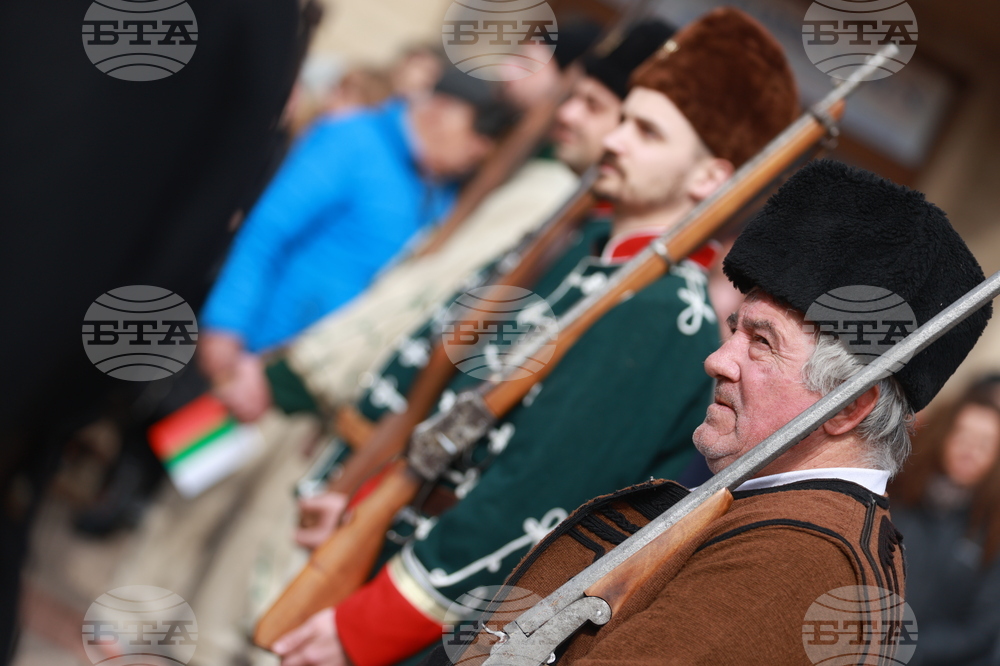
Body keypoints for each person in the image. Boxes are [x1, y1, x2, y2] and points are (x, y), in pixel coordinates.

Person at [271, 9, 799, 666]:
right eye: (625, 117)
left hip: (442, 626)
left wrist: (365, 626)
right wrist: (369, 501)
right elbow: (460, 414)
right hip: (399, 555)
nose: (616, 140)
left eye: (647, 131)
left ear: (708, 179)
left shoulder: (663, 313)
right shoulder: (596, 264)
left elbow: (526, 506)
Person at [428, 157, 992, 666]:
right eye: (734, 331)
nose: (718, 361)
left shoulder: (798, 562)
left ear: (850, 407)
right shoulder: (782, 519)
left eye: (762, 342)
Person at [220, 20, 677, 422]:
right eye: (573, 98)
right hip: (276, 367)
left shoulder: (546, 192)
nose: (568, 112)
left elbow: (437, 294)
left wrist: (308, 376)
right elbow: (268, 232)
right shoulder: (363, 143)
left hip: (320, 383)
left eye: (594, 106)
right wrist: (231, 335)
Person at [197, 68, 516, 402]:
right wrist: (225, 329)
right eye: (482, 129)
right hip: (244, 355)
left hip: (307, 384)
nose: (484, 148)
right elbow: (267, 232)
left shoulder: (449, 195)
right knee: (172, 447)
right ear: (441, 111)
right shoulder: (352, 140)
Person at [889, 375, 1000, 665]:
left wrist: (908, 649)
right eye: (963, 435)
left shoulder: (990, 532)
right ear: (944, 434)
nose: (970, 450)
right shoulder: (895, 495)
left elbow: (980, 629)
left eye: (985, 443)